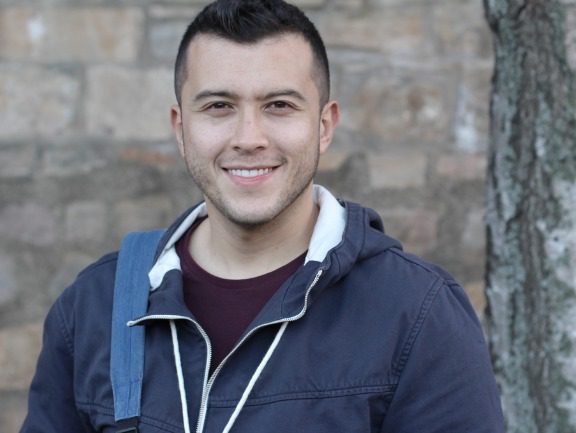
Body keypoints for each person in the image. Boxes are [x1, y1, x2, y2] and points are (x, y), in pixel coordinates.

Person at [21, 0, 504, 431]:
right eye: (218, 106)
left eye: (278, 105)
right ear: (180, 128)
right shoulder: (93, 308)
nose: (249, 137)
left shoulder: (417, 313)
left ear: (324, 125)